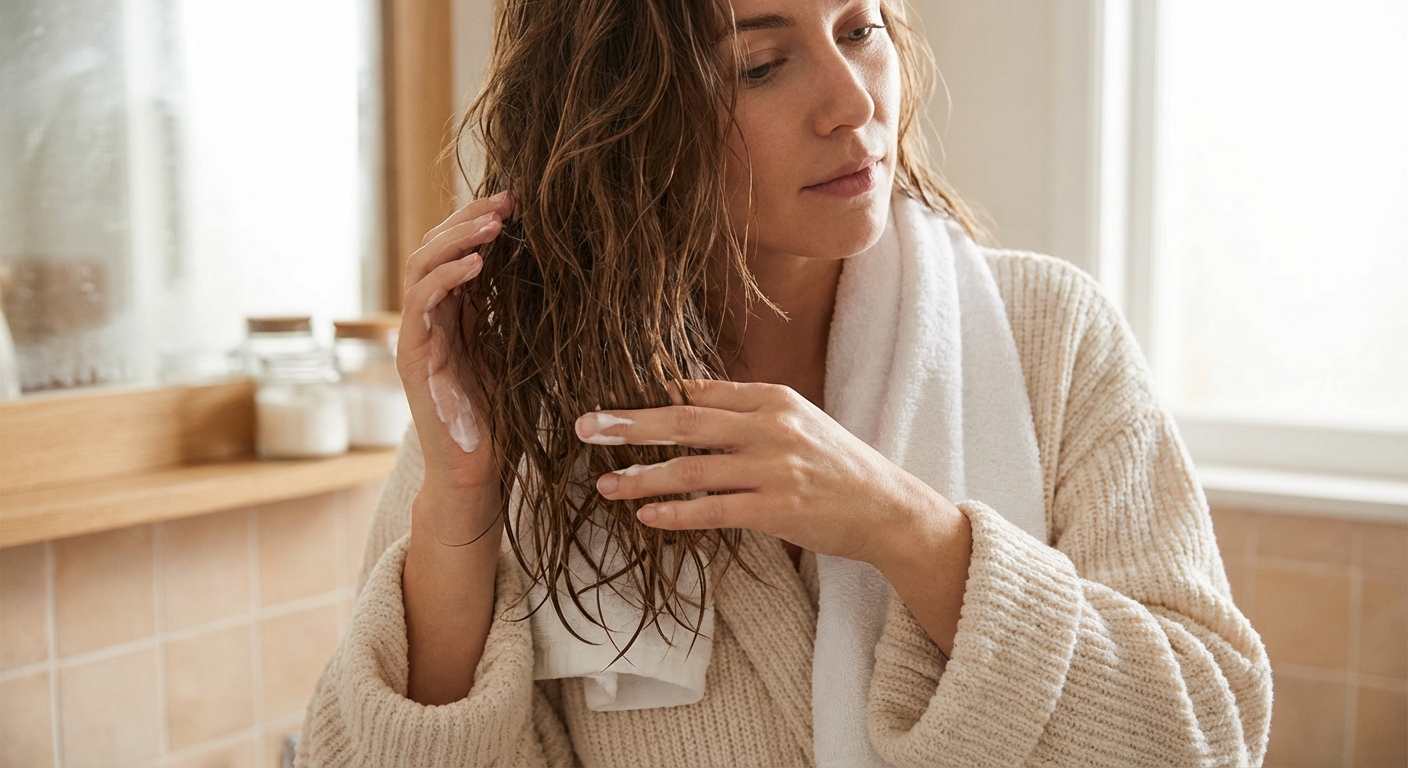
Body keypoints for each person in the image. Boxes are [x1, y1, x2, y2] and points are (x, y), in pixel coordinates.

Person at [297, 0, 1272, 765]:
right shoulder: (529, 397)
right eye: (761, 65)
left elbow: (1205, 734)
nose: (852, 101)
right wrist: (460, 504)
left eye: (860, 27)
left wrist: (904, 528)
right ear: (625, 119)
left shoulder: (1049, 337)